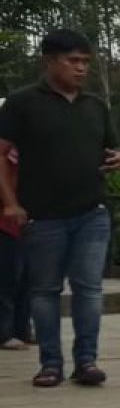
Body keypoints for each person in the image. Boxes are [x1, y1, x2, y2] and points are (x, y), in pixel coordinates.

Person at [0, 29, 120, 388]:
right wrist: (10, 202)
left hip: (92, 211)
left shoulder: (95, 105)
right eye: (73, 61)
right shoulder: (22, 104)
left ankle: (86, 361)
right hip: (42, 214)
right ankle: (50, 363)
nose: (81, 68)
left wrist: (117, 158)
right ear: (50, 61)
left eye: (85, 62)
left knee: (88, 288)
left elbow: (112, 149)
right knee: (45, 290)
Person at [0, 144, 34, 351]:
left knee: (27, 279)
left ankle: (22, 329)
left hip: (27, 223)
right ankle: (4, 332)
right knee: (7, 279)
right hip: (6, 221)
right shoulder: (7, 152)